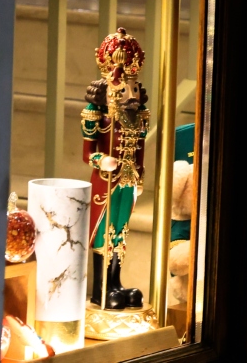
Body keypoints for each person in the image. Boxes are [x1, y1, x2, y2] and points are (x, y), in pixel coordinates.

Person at [81, 27, 150, 309]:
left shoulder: (137, 118)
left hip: (129, 181)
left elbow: (141, 150)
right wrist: (101, 161)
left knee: (121, 233)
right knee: (103, 232)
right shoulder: (96, 115)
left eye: (134, 89)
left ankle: (116, 282)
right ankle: (100, 289)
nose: (131, 95)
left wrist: (141, 173)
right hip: (106, 181)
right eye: (125, 90)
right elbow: (88, 153)